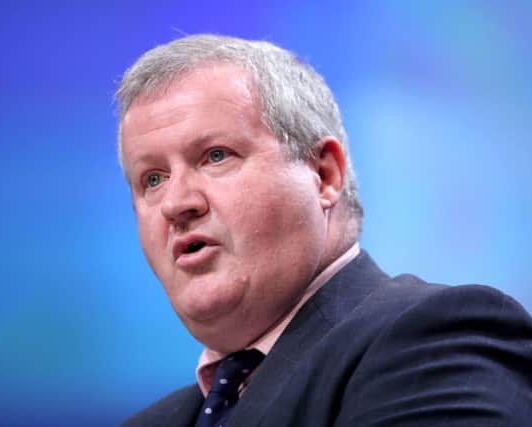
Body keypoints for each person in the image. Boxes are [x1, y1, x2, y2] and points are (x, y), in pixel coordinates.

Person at [116, 34, 532, 426]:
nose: (176, 203)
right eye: (152, 179)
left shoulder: (433, 341)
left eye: (216, 156)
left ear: (323, 174)